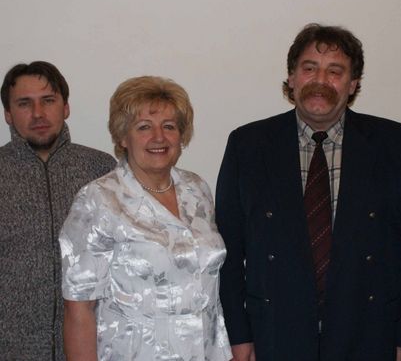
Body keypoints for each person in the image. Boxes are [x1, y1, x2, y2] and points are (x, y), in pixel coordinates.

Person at [216, 23, 401, 361]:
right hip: (274, 332)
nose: (320, 81)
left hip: (370, 331)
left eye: (335, 71)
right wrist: (238, 334)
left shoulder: (393, 144)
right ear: (291, 77)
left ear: (353, 84)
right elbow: (229, 251)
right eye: (309, 68)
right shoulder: (248, 145)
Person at [60, 76, 232, 361]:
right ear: (122, 137)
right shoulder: (99, 200)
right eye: (144, 127)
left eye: (169, 126)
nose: (158, 137)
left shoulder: (197, 189)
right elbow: (79, 308)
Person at [0, 61, 116, 361]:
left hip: (91, 348)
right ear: (8, 114)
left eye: (48, 100)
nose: (38, 113)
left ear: (65, 107)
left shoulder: (102, 170)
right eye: (24, 104)